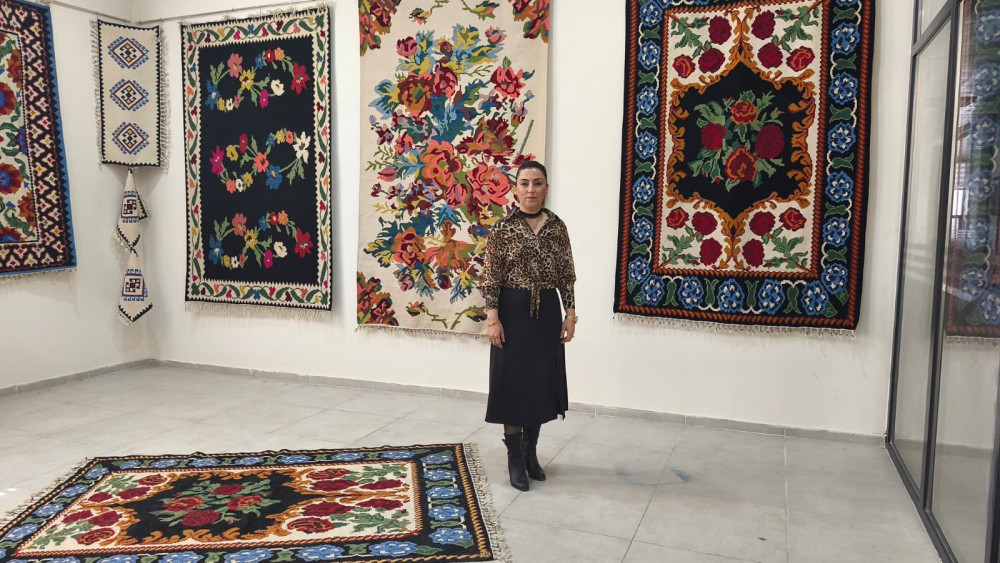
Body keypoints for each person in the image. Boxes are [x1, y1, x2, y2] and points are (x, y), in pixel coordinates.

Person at [480, 160, 577, 491]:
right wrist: (493, 319)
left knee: (539, 383)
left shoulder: (557, 228)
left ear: (546, 188)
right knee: (513, 384)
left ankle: (529, 452)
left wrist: (570, 315)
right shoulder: (503, 229)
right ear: (515, 189)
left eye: (537, 183)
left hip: (546, 313)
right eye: (524, 183)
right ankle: (514, 458)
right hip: (512, 313)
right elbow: (491, 279)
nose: (531, 189)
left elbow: (566, 275)